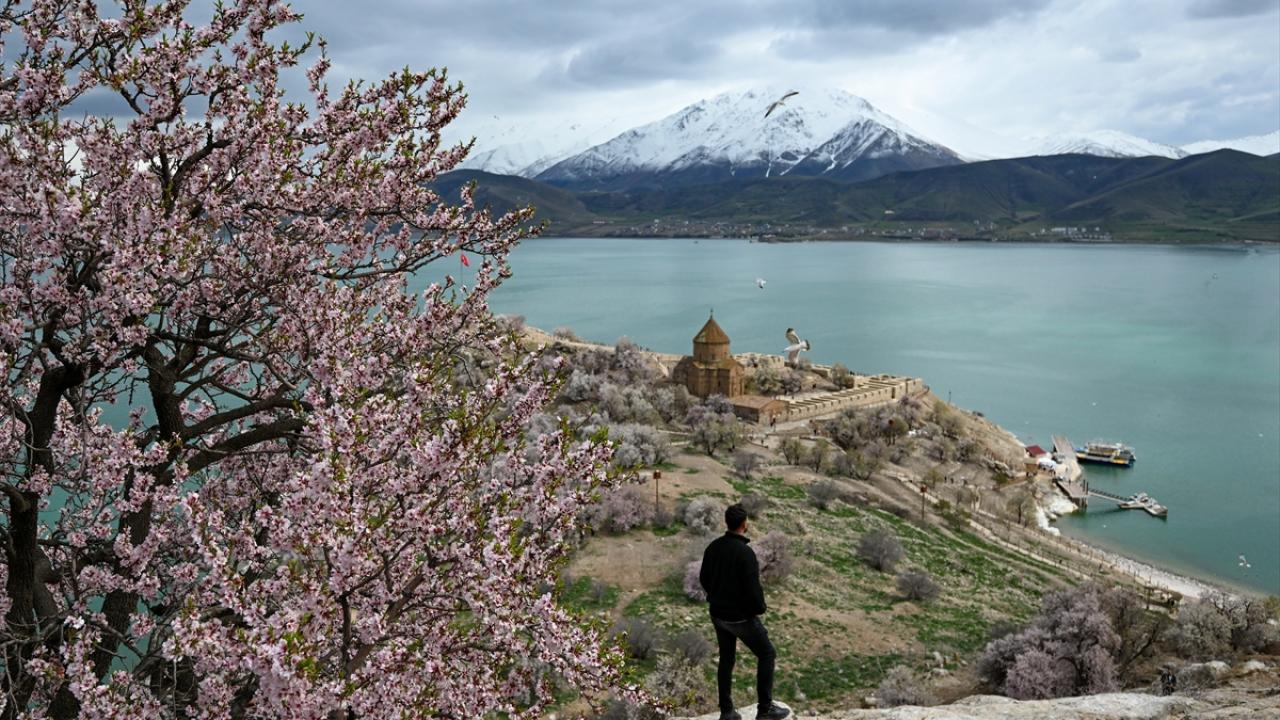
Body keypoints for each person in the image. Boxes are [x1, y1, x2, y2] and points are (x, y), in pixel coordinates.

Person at [699, 504, 789, 720]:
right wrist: (759, 609)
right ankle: (765, 709)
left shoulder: (713, 547)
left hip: (718, 615)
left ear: (726, 523)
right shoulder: (745, 553)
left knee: (726, 659)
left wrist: (717, 597)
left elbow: (704, 579)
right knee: (767, 654)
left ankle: (727, 711)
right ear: (744, 524)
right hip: (740, 617)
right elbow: (753, 589)